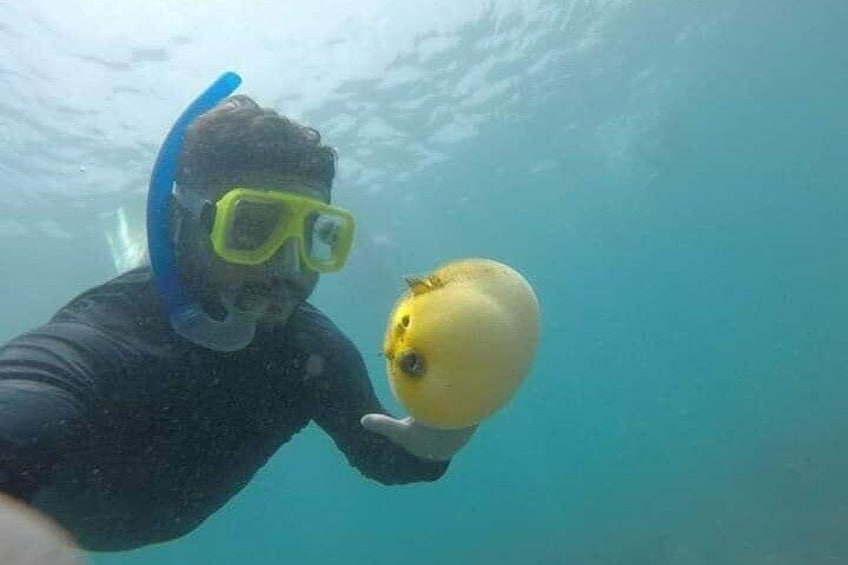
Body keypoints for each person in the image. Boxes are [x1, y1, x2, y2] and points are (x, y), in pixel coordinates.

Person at [0, 74, 475, 552]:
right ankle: (137, 250)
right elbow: (30, 389)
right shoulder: (104, 333)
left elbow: (383, 458)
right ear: (181, 224)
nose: (286, 266)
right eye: (251, 228)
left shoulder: (310, 351)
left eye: (313, 235)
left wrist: (436, 442)